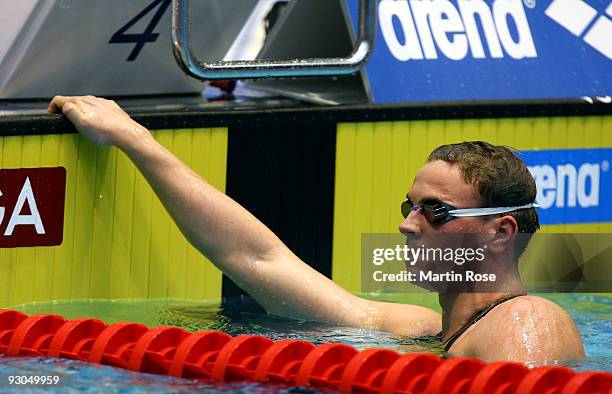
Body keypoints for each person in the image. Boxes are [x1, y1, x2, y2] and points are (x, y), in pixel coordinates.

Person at [47, 95, 584, 363]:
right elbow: (259, 261)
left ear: (500, 231)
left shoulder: (529, 324)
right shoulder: (421, 329)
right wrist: (134, 138)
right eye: (409, 205)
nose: (407, 225)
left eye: (434, 212)